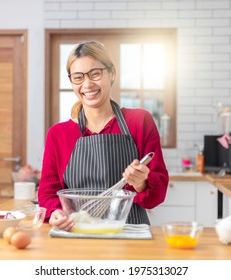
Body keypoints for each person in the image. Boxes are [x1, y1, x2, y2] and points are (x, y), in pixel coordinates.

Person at [38, 40, 169, 232]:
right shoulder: (58, 134)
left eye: (95, 74)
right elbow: (48, 194)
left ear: (111, 74)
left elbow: (156, 196)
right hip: (78, 233)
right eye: (78, 77)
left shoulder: (140, 121)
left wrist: (141, 182)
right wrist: (56, 213)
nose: (87, 84)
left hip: (130, 232)